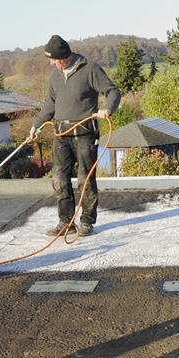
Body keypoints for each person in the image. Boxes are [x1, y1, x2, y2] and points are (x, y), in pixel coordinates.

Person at [31, 35, 120, 237]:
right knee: (59, 179)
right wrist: (35, 126)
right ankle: (66, 222)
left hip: (85, 133)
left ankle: (87, 222)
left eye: (53, 59)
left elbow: (113, 91)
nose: (51, 63)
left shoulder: (90, 69)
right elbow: (50, 105)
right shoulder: (55, 74)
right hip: (61, 133)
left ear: (63, 57)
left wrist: (108, 109)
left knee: (85, 179)